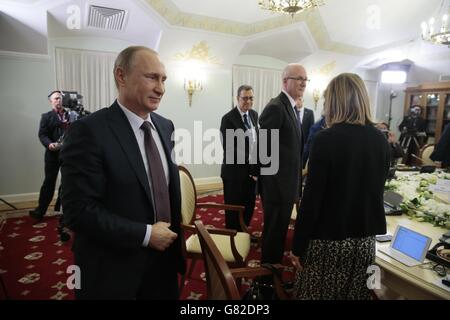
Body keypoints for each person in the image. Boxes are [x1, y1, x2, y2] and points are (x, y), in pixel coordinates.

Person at [60, 46, 185, 299]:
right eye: (151, 77)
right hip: (114, 272)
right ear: (121, 75)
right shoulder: (88, 131)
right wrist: (147, 235)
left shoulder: (165, 125)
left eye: (163, 79)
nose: (160, 88)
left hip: (164, 266)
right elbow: (77, 211)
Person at [290, 73, 390, 300]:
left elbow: (312, 201)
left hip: (329, 242)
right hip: (365, 242)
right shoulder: (381, 140)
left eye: (327, 100)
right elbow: (377, 189)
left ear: (336, 101)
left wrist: (297, 246)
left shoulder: (326, 139)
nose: (325, 106)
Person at [258, 64, 305, 265]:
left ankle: (272, 273)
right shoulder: (276, 107)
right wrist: (277, 188)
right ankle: (267, 281)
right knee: (273, 236)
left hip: (286, 186)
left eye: (305, 79)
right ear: (285, 81)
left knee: (278, 235)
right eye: (299, 78)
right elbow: (264, 152)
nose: (303, 82)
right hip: (277, 188)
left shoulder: (291, 107)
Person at [220, 85, 259, 231]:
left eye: (251, 98)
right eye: (244, 98)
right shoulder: (228, 119)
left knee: (249, 204)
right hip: (234, 173)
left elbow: (256, 140)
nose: (248, 101)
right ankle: (232, 235)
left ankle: (244, 231)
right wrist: (252, 161)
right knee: (234, 208)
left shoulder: (254, 115)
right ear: (237, 98)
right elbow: (230, 149)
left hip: (251, 173)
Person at [29, 91, 68, 222]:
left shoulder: (71, 115)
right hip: (52, 154)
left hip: (68, 154)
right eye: (56, 98)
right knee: (49, 182)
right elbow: (42, 134)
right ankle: (40, 210)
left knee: (67, 182)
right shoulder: (46, 117)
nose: (59, 100)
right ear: (50, 101)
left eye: (60, 98)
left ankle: (61, 209)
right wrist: (49, 144)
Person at [295, 96, 315, 167]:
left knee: (301, 166)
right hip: (294, 146)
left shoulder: (309, 113)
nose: (298, 101)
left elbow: (312, 129)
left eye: (300, 99)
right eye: (296, 100)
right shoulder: (292, 112)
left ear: (303, 101)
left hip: (305, 145)